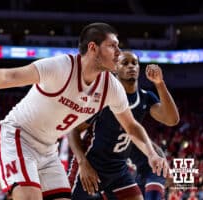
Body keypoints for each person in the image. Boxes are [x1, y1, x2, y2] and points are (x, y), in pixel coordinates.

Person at [0, 23, 168, 200]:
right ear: (93, 47)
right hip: (18, 136)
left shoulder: (111, 87)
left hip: (48, 148)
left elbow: (131, 125)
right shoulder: (61, 67)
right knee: (29, 196)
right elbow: (9, 76)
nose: (119, 52)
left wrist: (151, 153)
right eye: (112, 45)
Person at [68, 51, 179, 200]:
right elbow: (73, 130)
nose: (131, 66)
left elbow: (172, 119)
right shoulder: (102, 97)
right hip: (92, 166)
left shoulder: (145, 97)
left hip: (118, 169)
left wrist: (159, 84)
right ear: (115, 69)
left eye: (134, 63)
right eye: (125, 63)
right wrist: (83, 163)